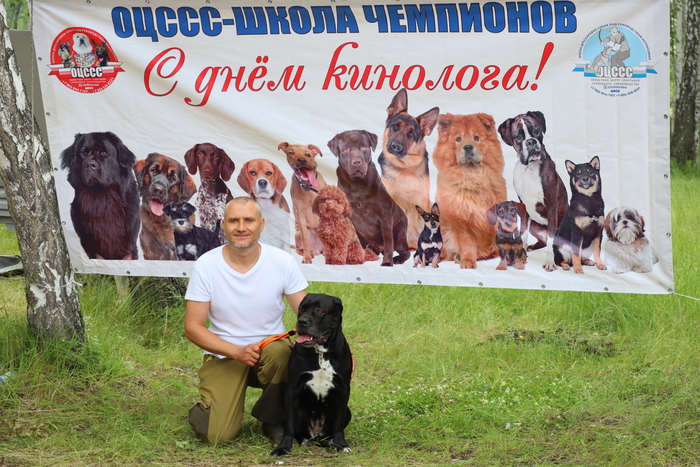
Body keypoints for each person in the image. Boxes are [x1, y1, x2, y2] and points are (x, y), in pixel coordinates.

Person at [184, 196, 308, 445]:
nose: (241, 227)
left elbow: (308, 315)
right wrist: (237, 352)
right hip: (225, 353)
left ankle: (274, 419)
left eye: (248, 220)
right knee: (216, 435)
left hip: (270, 352)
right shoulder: (206, 265)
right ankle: (213, 404)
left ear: (261, 224)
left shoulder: (282, 261)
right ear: (223, 225)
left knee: (282, 352)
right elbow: (193, 328)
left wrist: (340, 349)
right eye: (234, 221)